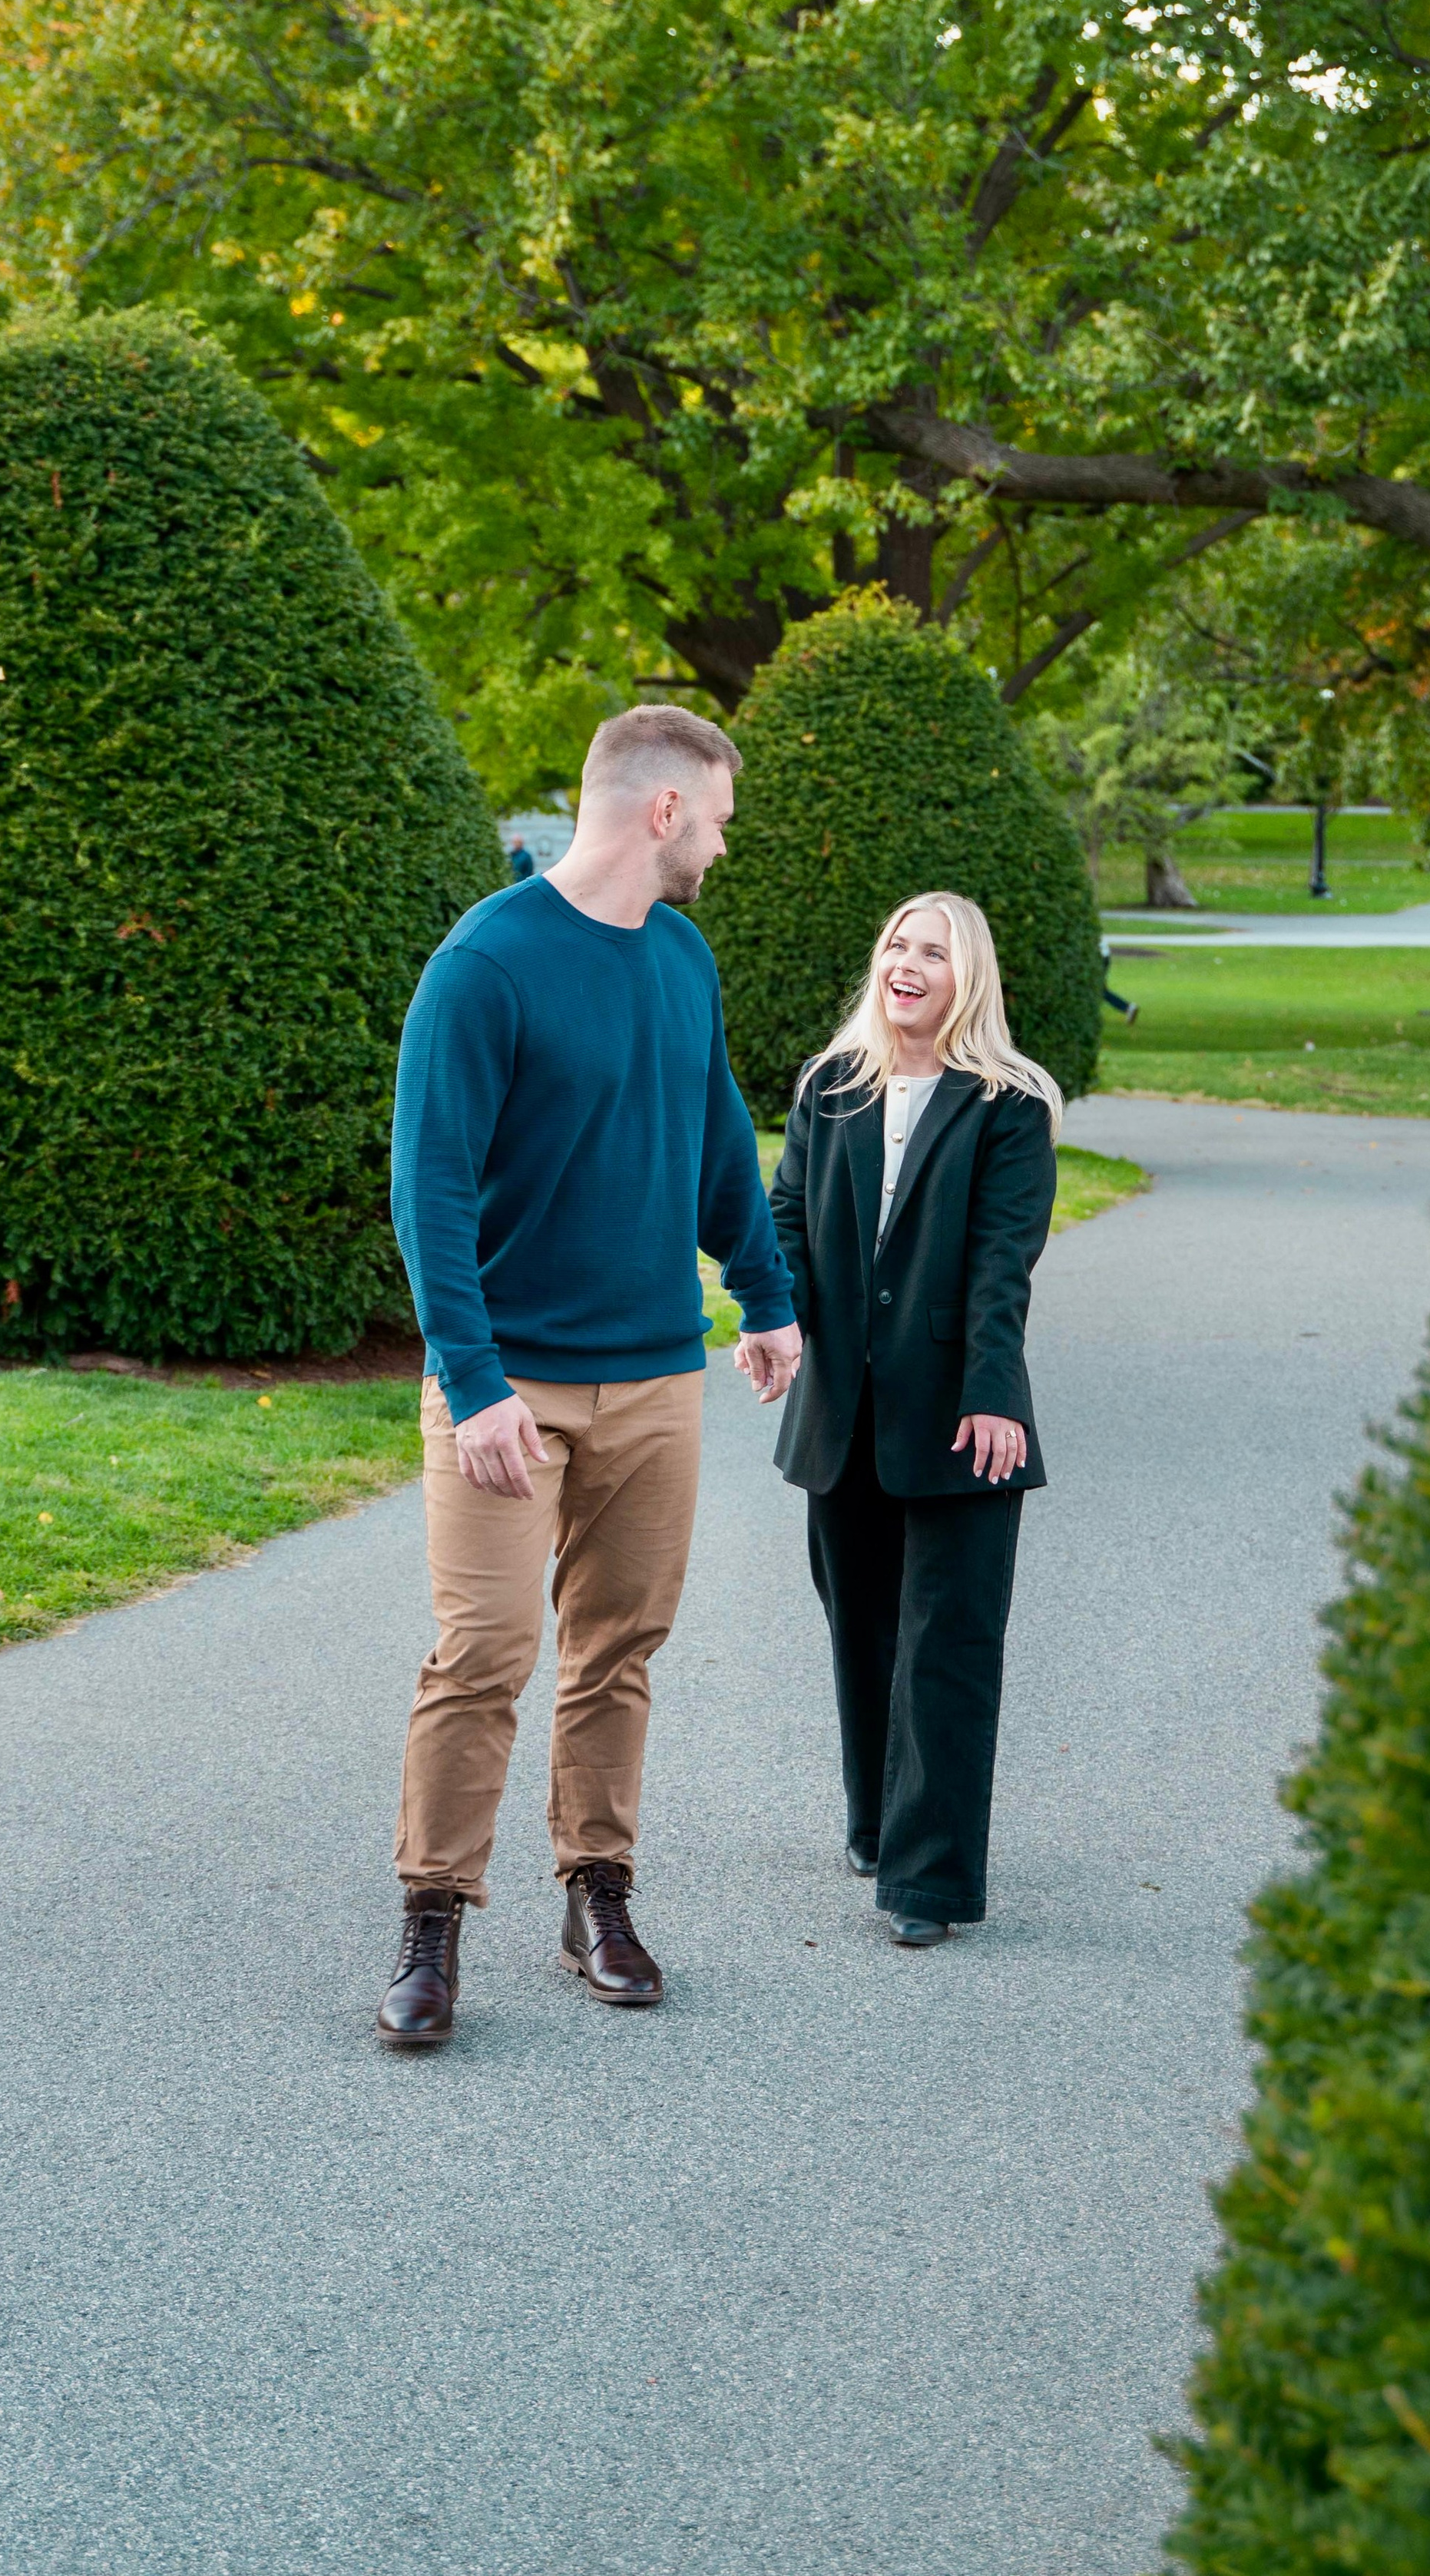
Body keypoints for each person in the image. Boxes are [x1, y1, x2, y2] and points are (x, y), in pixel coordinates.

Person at [377, 707, 803, 2047]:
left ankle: (596, 1895)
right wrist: (476, 1377)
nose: (724, 846)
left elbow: (718, 1133)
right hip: (508, 1388)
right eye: (721, 818)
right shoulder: (485, 964)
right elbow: (428, 1189)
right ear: (663, 810)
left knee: (619, 1650)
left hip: (652, 1380)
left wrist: (767, 1291)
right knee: (486, 1649)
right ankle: (432, 1918)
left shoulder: (682, 958)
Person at [768, 893, 1058, 1949]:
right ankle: (878, 1821)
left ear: (965, 975)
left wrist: (990, 1385)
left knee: (947, 1638)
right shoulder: (830, 1088)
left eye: (934, 951)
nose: (909, 962)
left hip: (959, 1411)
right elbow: (788, 1215)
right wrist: (776, 1322)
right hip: (841, 1411)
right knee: (863, 1628)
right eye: (897, 942)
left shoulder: (1009, 1104)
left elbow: (1000, 1263)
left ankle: (929, 1879)